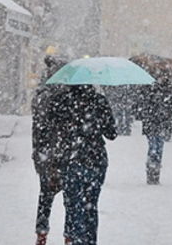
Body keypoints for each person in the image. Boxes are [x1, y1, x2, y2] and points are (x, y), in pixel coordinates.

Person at [53, 85, 117, 245]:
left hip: (72, 159)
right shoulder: (99, 101)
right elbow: (112, 134)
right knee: (90, 207)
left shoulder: (63, 101)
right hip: (96, 160)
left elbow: (55, 129)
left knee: (74, 207)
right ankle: (89, 241)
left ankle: (77, 240)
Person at [31, 56, 68, 245]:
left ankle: (41, 233)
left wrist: (38, 153)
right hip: (64, 154)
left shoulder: (41, 96)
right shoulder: (66, 98)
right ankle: (69, 235)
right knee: (69, 198)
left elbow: (37, 128)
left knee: (45, 195)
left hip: (45, 153)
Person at [139, 78, 172, 185]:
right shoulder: (149, 87)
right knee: (153, 146)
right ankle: (151, 172)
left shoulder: (169, 89)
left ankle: (155, 172)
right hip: (151, 123)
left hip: (161, 123)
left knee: (159, 147)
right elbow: (142, 102)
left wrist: (165, 109)